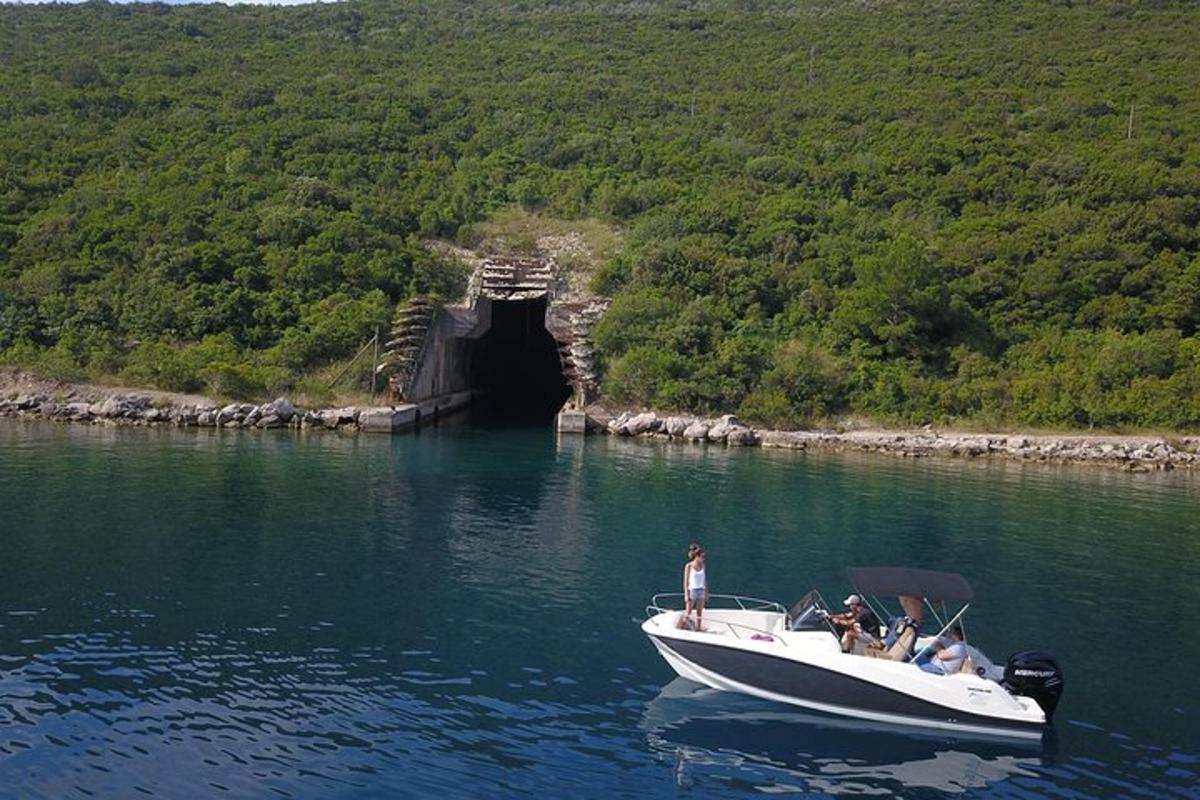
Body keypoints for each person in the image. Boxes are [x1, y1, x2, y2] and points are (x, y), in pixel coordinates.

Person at [677, 543, 708, 630]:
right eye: (702, 557)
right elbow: (685, 581)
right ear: (697, 557)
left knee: (699, 613)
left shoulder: (703, 566)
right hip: (692, 591)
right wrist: (686, 594)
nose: (703, 559)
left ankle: (698, 628)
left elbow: (704, 579)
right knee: (688, 612)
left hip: (701, 589)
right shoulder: (689, 566)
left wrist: (706, 592)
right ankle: (682, 628)